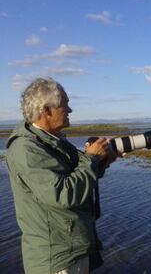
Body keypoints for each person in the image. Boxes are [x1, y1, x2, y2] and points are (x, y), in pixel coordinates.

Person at [6, 77, 117, 274]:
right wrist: (91, 159)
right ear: (46, 111)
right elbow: (64, 194)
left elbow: (75, 176)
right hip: (56, 259)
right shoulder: (26, 149)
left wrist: (101, 162)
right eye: (65, 105)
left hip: (71, 250)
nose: (70, 110)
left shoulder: (52, 141)